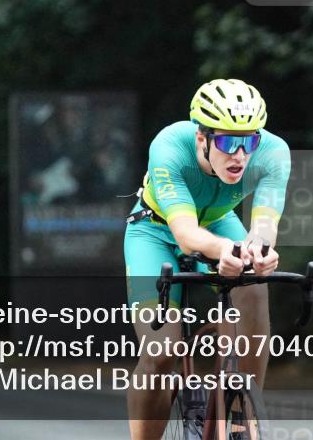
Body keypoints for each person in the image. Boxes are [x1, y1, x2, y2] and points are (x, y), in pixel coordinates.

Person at [124, 78, 291, 440]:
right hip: (154, 231)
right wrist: (223, 251)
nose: (240, 155)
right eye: (229, 142)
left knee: (253, 286)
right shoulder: (170, 145)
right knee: (162, 351)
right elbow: (184, 234)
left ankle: (245, 410)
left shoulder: (274, 152)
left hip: (216, 222)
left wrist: (258, 252)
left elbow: (263, 225)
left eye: (249, 141)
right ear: (202, 139)